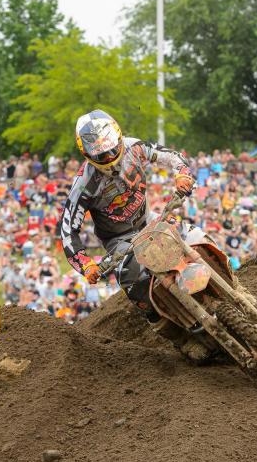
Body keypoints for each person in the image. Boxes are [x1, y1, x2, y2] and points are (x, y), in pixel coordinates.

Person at [60, 109, 211, 362]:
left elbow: (172, 156)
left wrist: (182, 172)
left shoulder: (135, 147)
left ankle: (233, 285)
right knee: (132, 281)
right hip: (119, 242)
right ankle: (180, 337)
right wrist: (85, 264)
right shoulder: (84, 185)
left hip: (148, 220)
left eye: (112, 149)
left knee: (195, 236)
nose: (109, 157)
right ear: (86, 154)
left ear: (118, 137)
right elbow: (68, 232)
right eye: (101, 154)